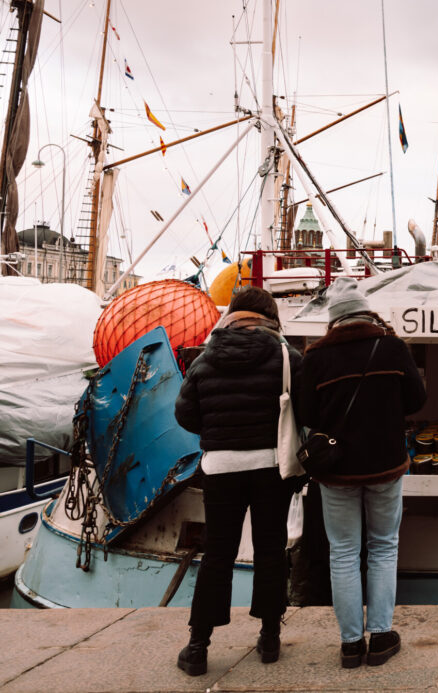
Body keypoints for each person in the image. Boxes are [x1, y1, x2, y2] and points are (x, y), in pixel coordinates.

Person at [296, 277, 426, 669]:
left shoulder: (315, 358)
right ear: (366, 311)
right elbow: (417, 400)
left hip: (337, 472)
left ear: (333, 319)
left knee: (343, 553)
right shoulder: (391, 347)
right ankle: (382, 635)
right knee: (384, 546)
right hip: (385, 465)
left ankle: (351, 644)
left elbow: (306, 415)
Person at [173, 286, 301, 677]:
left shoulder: (207, 357)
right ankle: (269, 638)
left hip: (221, 468)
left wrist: (217, 431)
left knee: (218, 554)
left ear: (233, 314)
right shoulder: (286, 357)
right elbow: (304, 408)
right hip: (270, 465)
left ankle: (198, 646)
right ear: (270, 317)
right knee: (270, 548)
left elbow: (185, 414)